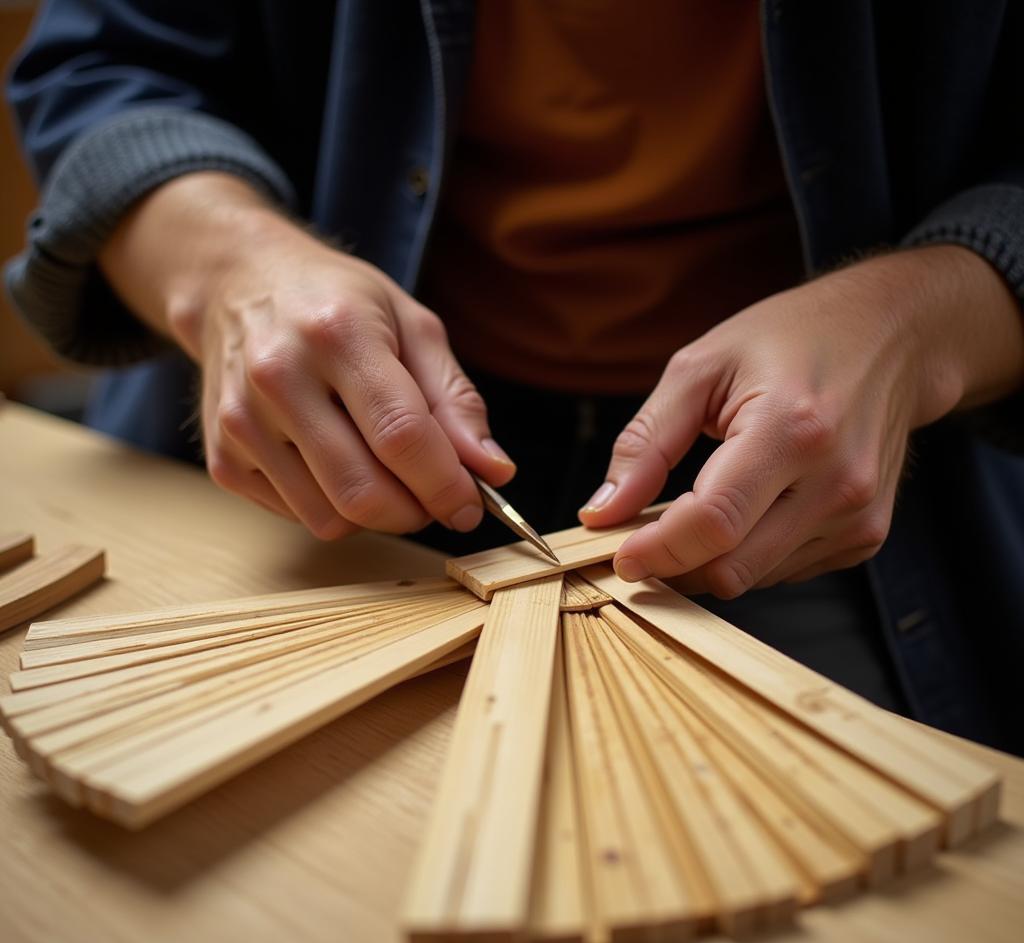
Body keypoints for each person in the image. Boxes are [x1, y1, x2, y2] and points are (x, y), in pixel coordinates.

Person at [6, 2, 1024, 753]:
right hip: (316, 442)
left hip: (823, 487)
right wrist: (228, 267)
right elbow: (99, 62)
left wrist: (923, 322)